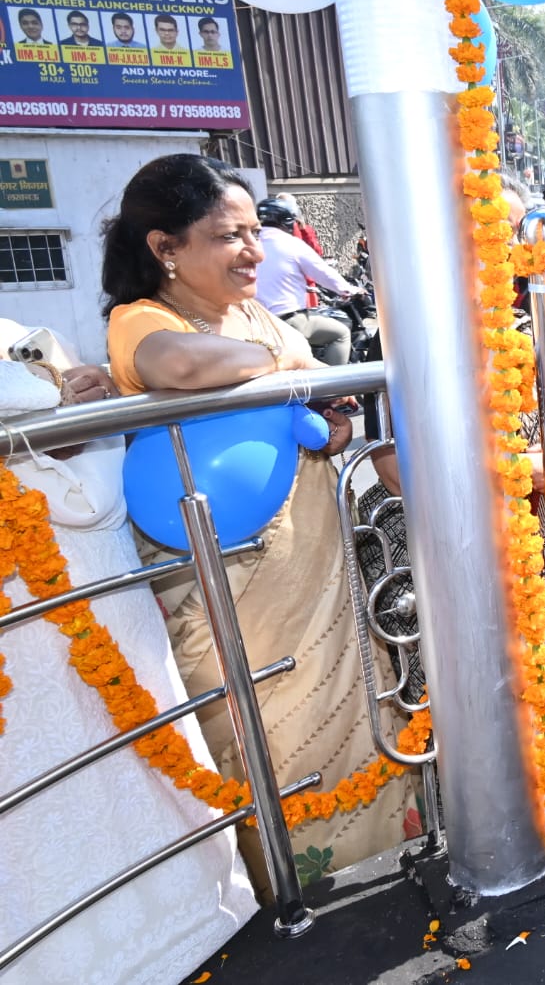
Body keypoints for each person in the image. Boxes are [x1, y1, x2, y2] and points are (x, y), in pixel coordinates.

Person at [101, 153, 419, 890]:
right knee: (266, 740)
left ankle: (388, 880)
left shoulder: (252, 316)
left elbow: (304, 413)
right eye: (229, 236)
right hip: (232, 590)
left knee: (361, 716)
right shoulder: (142, 319)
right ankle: (291, 902)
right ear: (165, 247)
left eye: (253, 232)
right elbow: (181, 368)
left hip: (317, 561)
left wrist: (325, 417)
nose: (254, 250)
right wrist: (287, 367)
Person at [0, 320, 256, 984]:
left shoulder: (17, 332)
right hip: (20, 621)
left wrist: (87, 394)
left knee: (140, 748)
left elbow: (74, 403)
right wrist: (45, 414)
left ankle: (200, 913)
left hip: (101, 585)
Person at [255, 197, 362, 366]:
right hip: (287, 321)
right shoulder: (291, 244)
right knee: (341, 334)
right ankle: (335, 380)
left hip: (257, 323)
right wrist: (349, 290)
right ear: (287, 220)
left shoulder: (250, 245)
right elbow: (323, 272)